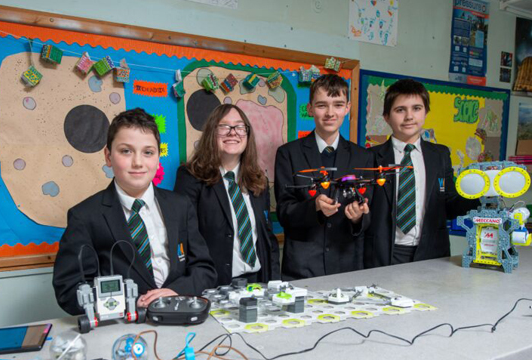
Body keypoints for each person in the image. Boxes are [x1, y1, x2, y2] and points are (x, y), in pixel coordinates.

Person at [53, 108, 217, 315]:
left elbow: (205, 269)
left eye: (148, 152)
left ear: (158, 158)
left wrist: (176, 291)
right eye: (126, 151)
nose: (138, 162)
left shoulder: (180, 205)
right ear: (108, 156)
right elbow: (68, 290)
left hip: (178, 314)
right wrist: (127, 302)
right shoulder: (85, 216)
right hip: (122, 324)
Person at [364, 79, 479, 267]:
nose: (409, 116)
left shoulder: (440, 155)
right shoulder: (371, 157)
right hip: (384, 254)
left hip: (432, 252)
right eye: (400, 110)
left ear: (426, 112)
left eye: (416, 108)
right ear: (386, 116)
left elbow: (450, 204)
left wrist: (479, 195)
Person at [274, 74, 373, 280]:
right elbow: (284, 212)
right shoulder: (288, 154)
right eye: (321, 105)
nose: (330, 113)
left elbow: (367, 213)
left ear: (347, 108)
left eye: (337, 105)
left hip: (347, 264)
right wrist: (314, 207)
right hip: (302, 268)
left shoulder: (363, 156)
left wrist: (357, 217)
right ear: (310, 109)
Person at [174, 104, 280, 286]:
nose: (233, 133)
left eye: (239, 127)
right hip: (214, 285)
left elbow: (268, 238)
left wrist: (275, 283)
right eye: (224, 127)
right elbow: (184, 237)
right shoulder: (191, 177)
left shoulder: (257, 180)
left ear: (247, 134)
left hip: (258, 282)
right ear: (211, 133)